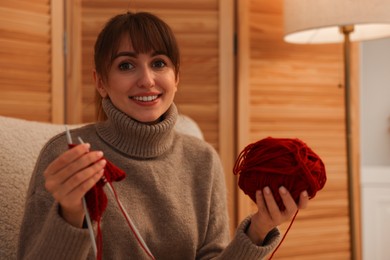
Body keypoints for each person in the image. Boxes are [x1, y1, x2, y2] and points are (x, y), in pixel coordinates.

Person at [17, 11, 308, 259]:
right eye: (126, 65)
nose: (146, 80)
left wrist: (259, 229)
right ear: (101, 82)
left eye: (159, 63)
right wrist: (70, 214)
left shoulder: (203, 159)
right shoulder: (65, 154)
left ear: (176, 77)